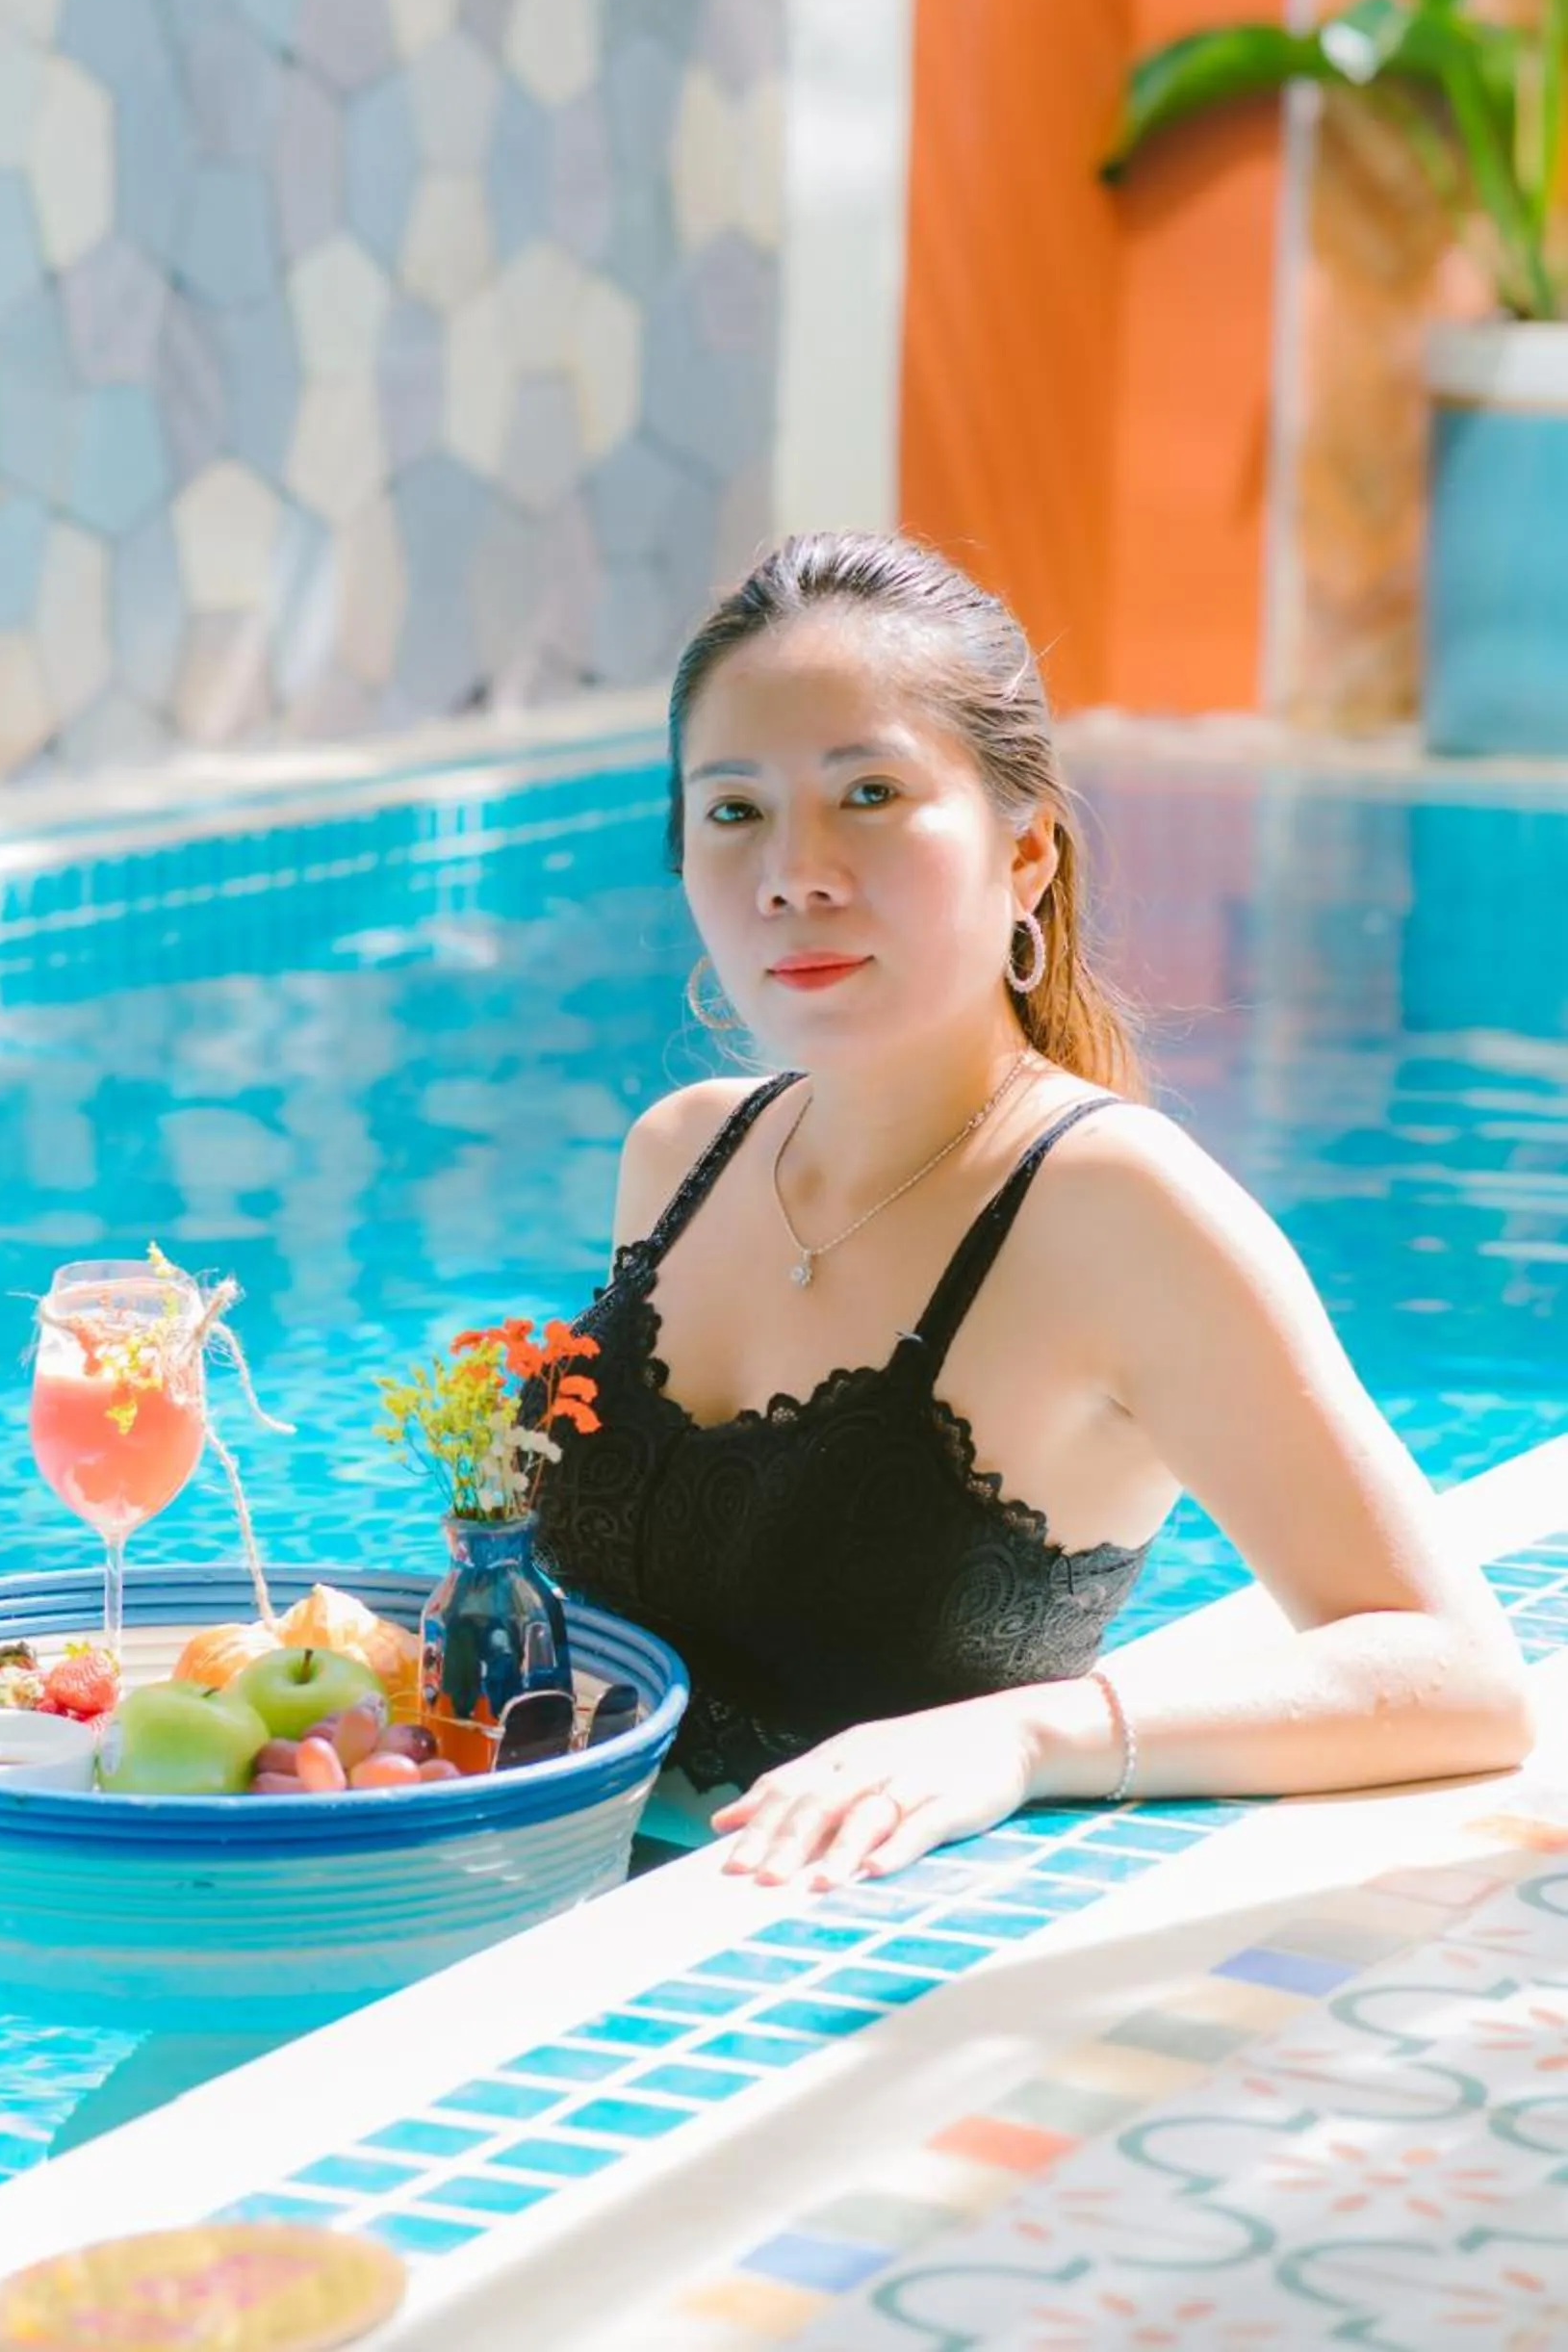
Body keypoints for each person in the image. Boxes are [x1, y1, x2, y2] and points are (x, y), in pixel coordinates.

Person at [532, 531, 1532, 1890]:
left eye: (869, 793)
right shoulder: (682, 1157)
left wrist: (1023, 1738)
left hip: (812, 1957)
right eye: (733, 812)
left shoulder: (1111, 1209)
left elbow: (1458, 1674)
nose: (793, 871)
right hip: (529, 1906)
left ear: (1025, 858)